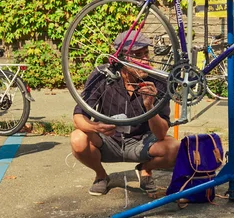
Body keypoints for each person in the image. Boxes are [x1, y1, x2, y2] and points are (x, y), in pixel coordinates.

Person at [70, 31, 179, 196]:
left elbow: (162, 132)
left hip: (142, 142)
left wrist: (150, 107)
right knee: (77, 138)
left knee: (174, 148)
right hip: (108, 141)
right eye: (137, 55)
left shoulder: (158, 81)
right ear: (120, 60)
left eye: (146, 53)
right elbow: (78, 117)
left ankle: (145, 170)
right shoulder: (102, 76)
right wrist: (97, 127)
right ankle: (101, 176)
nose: (145, 60)